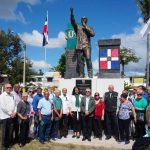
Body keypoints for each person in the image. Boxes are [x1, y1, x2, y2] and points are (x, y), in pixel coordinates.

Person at [70, 8, 95, 78]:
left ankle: (90, 74)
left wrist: (85, 26)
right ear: (81, 20)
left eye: (85, 19)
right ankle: (81, 74)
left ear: (86, 20)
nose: (83, 20)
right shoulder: (77, 27)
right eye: (82, 19)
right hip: (79, 46)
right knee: (80, 62)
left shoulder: (89, 27)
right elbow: (73, 22)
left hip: (86, 46)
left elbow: (92, 34)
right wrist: (72, 14)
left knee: (88, 59)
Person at [0, 83, 17, 149]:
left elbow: (15, 105)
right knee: (4, 133)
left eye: (10, 87)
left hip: (11, 117)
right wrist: (11, 113)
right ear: (5, 88)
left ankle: (8, 145)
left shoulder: (12, 95)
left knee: (10, 132)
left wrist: (15, 112)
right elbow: (3, 107)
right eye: (7, 87)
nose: (9, 88)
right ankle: (3, 147)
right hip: (4, 117)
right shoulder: (2, 96)